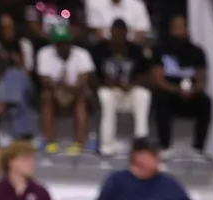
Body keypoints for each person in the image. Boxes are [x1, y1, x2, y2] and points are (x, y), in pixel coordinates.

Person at [150, 16, 211, 152]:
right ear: (170, 30)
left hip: (190, 95)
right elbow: (158, 79)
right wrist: (177, 90)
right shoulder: (161, 50)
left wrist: (194, 90)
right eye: (175, 27)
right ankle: (164, 146)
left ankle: (198, 148)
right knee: (160, 98)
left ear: (187, 29)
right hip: (170, 94)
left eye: (181, 27)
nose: (178, 31)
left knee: (206, 102)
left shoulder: (197, 52)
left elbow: (202, 78)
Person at [94, 18, 152, 154]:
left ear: (126, 34)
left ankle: (141, 142)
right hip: (110, 91)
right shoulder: (100, 49)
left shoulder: (135, 50)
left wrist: (132, 84)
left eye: (121, 34)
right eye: (116, 33)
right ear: (110, 33)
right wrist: (107, 83)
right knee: (105, 96)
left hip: (128, 91)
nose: (118, 37)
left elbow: (146, 75)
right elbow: (92, 75)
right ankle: (107, 146)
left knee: (143, 95)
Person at [36, 23, 94, 153]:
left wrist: (65, 86)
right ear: (54, 43)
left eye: (65, 42)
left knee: (82, 98)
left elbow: (83, 82)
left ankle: (80, 143)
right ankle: (49, 142)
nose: (63, 46)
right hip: (55, 93)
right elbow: (45, 82)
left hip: (75, 93)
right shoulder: (44, 54)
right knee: (46, 96)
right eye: (59, 43)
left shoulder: (82, 54)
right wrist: (62, 87)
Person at [84, 0, 151, 40]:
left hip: (131, 50)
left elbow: (142, 33)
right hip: (103, 50)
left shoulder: (138, 5)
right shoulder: (94, 3)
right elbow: (96, 33)